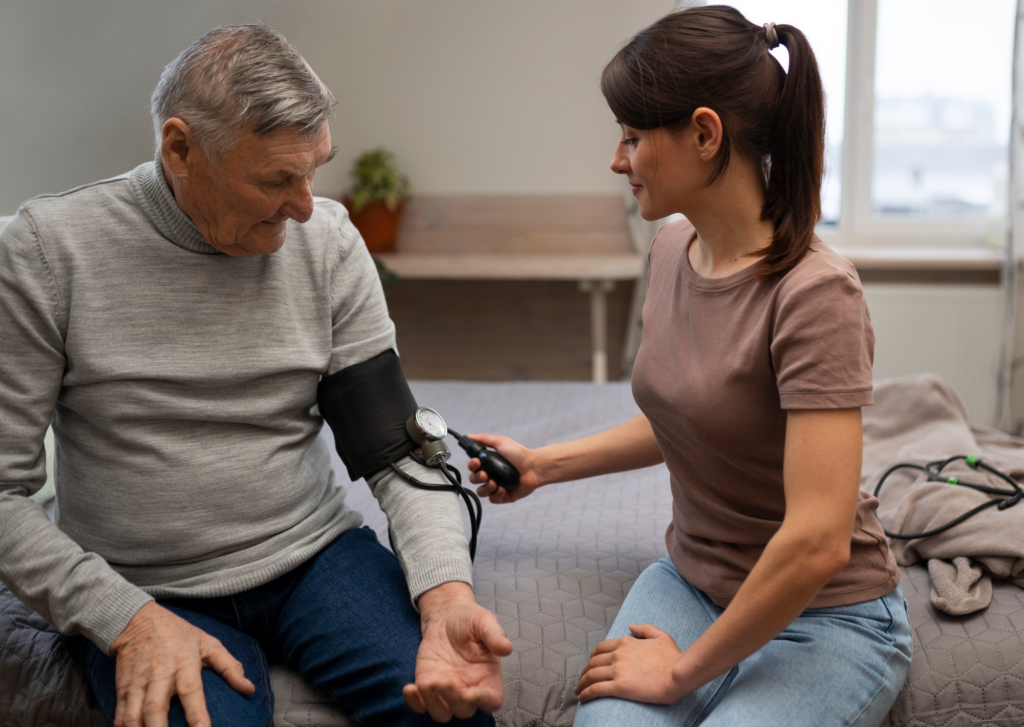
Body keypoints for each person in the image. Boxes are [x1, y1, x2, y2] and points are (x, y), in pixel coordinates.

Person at [0, 24, 510, 727]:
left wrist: (447, 593)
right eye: (276, 179)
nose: (305, 206)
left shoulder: (326, 242)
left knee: (449, 715)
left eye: (314, 170)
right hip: (144, 584)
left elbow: (397, 452)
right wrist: (122, 617)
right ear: (179, 149)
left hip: (316, 558)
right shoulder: (46, 254)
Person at [468, 7, 911, 726]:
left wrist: (678, 672)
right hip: (693, 584)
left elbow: (819, 540)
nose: (618, 160)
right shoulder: (672, 247)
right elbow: (692, 413)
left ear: (705, 134)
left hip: (826, 614)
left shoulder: (815, 293)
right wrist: (544, 464)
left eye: (634, 137)